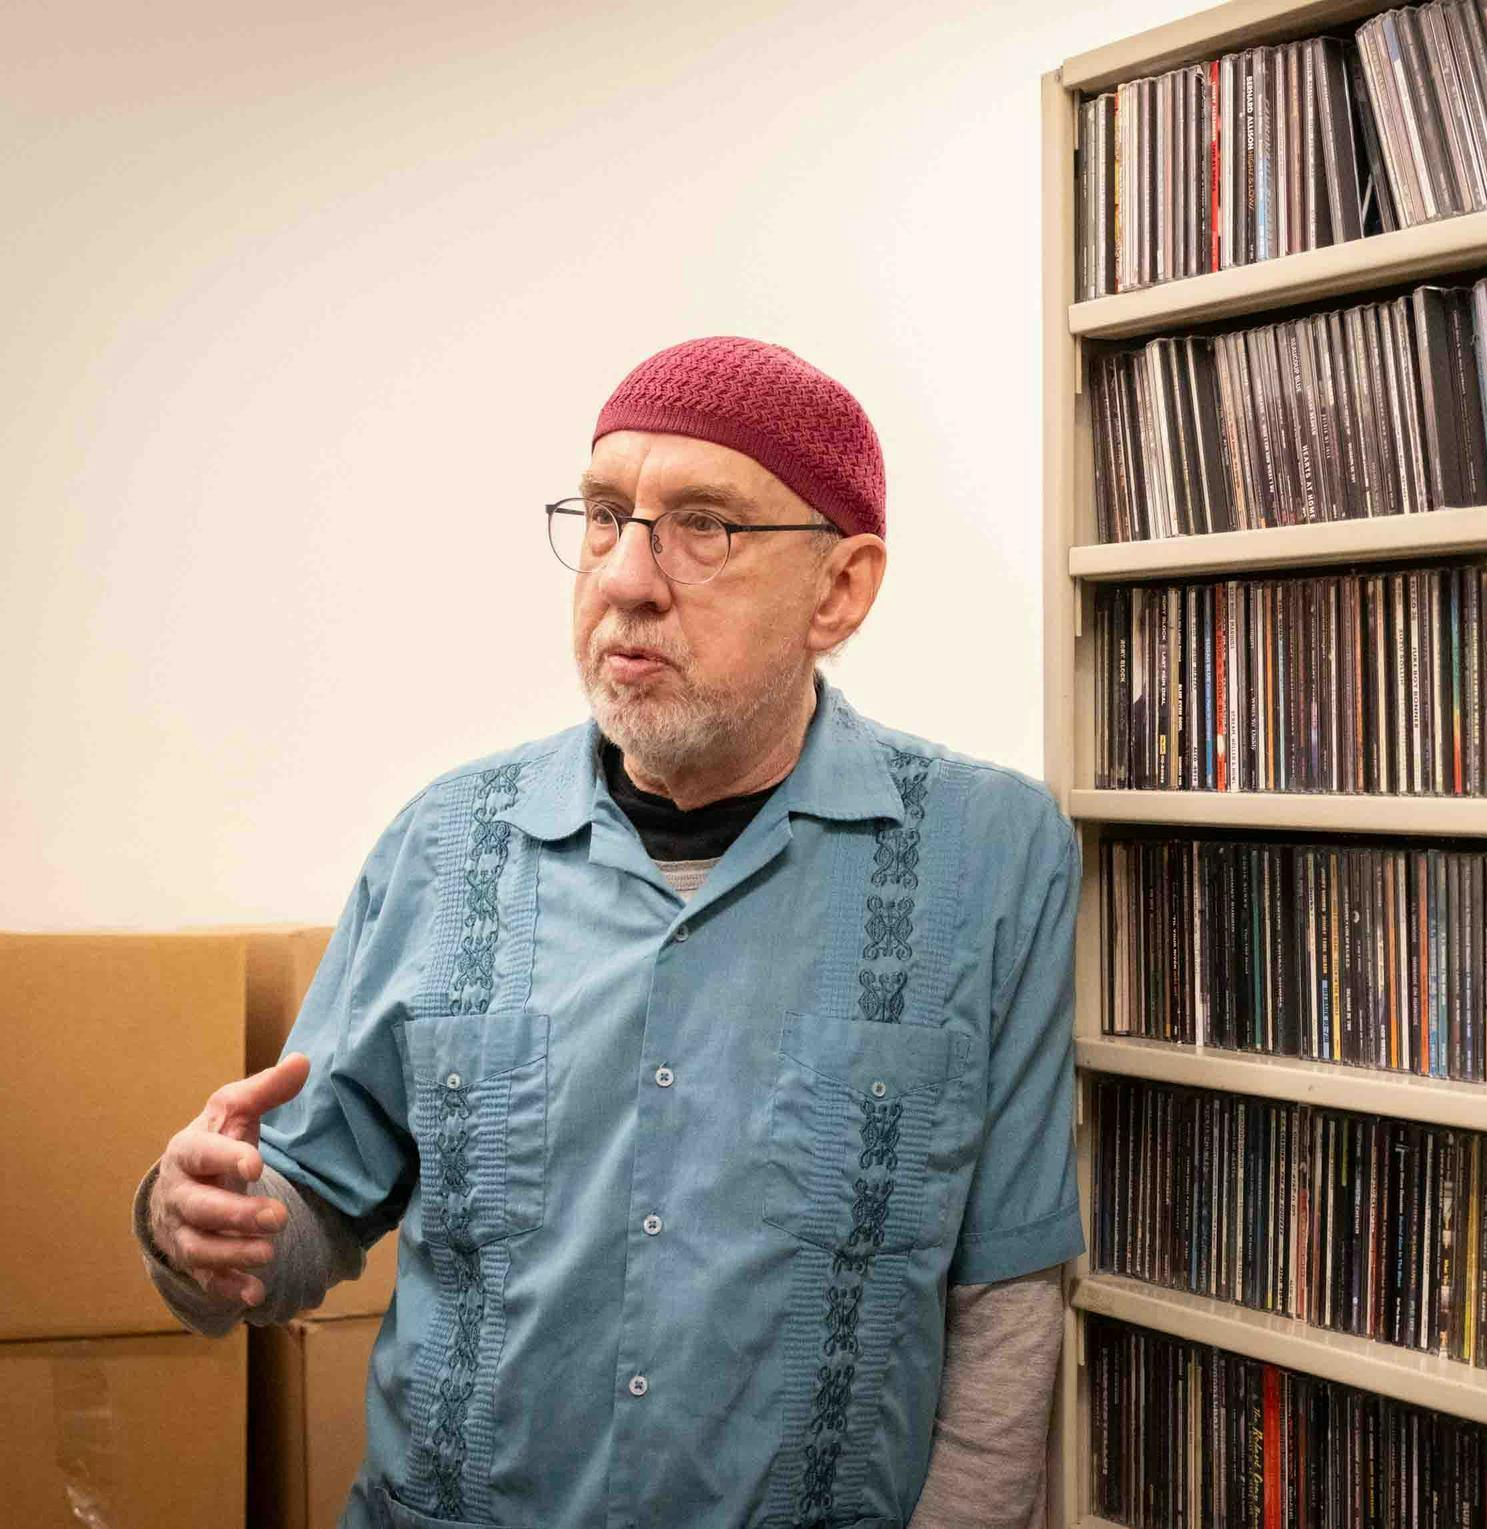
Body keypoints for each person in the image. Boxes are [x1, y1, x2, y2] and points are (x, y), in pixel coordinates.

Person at [131, 336, 1083, 1528]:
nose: (626, 576)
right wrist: (203, 1224)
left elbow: (1005, 1296)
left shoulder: (990, 857)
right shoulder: (445, 843)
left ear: (838, 588)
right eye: (601, 516)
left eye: (703, 526)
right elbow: (306, 1210)